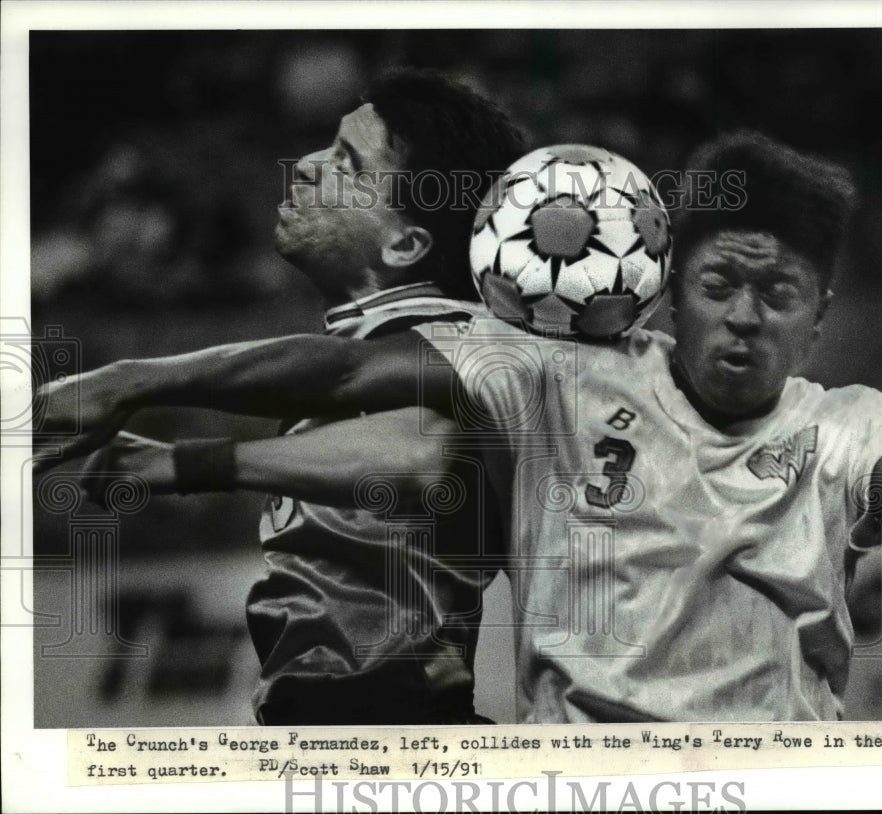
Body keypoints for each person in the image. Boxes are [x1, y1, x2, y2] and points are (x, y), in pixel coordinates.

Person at [38, 131, 882, 722]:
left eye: (780, 293)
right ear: (667, 294)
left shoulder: (852, 426)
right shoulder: (561, 378)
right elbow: (357, 363)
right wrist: (137, 379)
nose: (746, 315)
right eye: (720, 284)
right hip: (569, 778)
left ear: (820, 315)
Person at [38, 67, 526, 726]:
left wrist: (182, 458)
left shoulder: (456, 344)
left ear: (406, 242)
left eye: (348, 163)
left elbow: (417, 450)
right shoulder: (382, 351)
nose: (304, 166)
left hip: (389, 730)